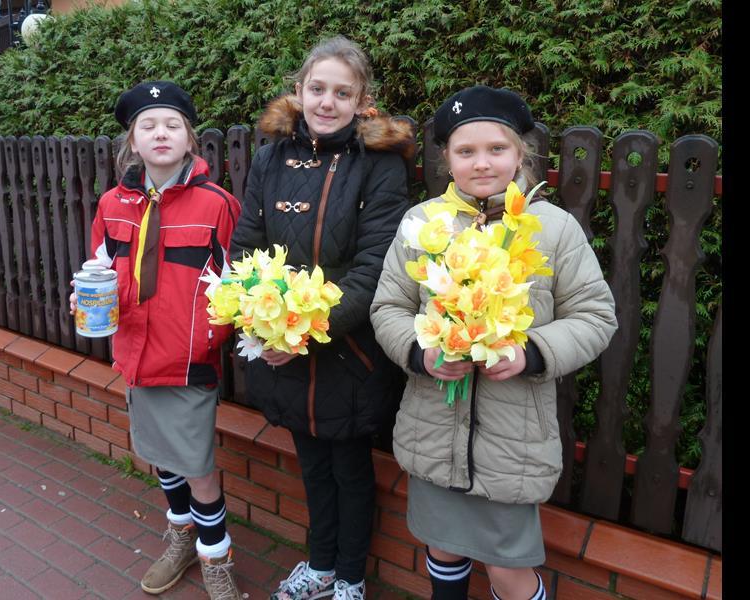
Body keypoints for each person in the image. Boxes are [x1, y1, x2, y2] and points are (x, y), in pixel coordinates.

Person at [369, 85, 618, 600]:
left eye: (496, 149)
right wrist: (421, 352)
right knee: (443, 549)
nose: (481, 163)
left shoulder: (553, 229)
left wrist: (531, 353)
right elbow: (388, 307)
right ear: (447, 159)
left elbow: (595, 316)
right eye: (466, 151)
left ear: (520, 154)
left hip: (512, 444)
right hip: (434, 433)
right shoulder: (421, 224)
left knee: (508, 570)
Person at [228, 36, 413, 600]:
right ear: (300, 90)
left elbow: (375, 266)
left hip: (347, 351)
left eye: (342, 93)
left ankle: (350, 578)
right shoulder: (270, 158)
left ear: (361, 100)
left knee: (351, 470)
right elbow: (246, 248)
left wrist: (301, 331)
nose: (327, 102)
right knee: (311, 463)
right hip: (281, 349)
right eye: (317, 89)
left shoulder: (379, 164)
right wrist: (262, 325)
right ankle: (321, 566)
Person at [68, 81, 243, 600]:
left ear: (190, 139)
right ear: (133, 141)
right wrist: (84, 295)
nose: (160, 133)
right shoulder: (112, 204)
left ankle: (216, 557)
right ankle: (181, 537)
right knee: (161, 458)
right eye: (148, 125)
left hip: (189, 360)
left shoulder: (218, 205)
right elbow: (100, 268)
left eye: (172, 125)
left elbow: (238, 285)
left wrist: (215, 335)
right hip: (136, 355)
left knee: (198, 469)